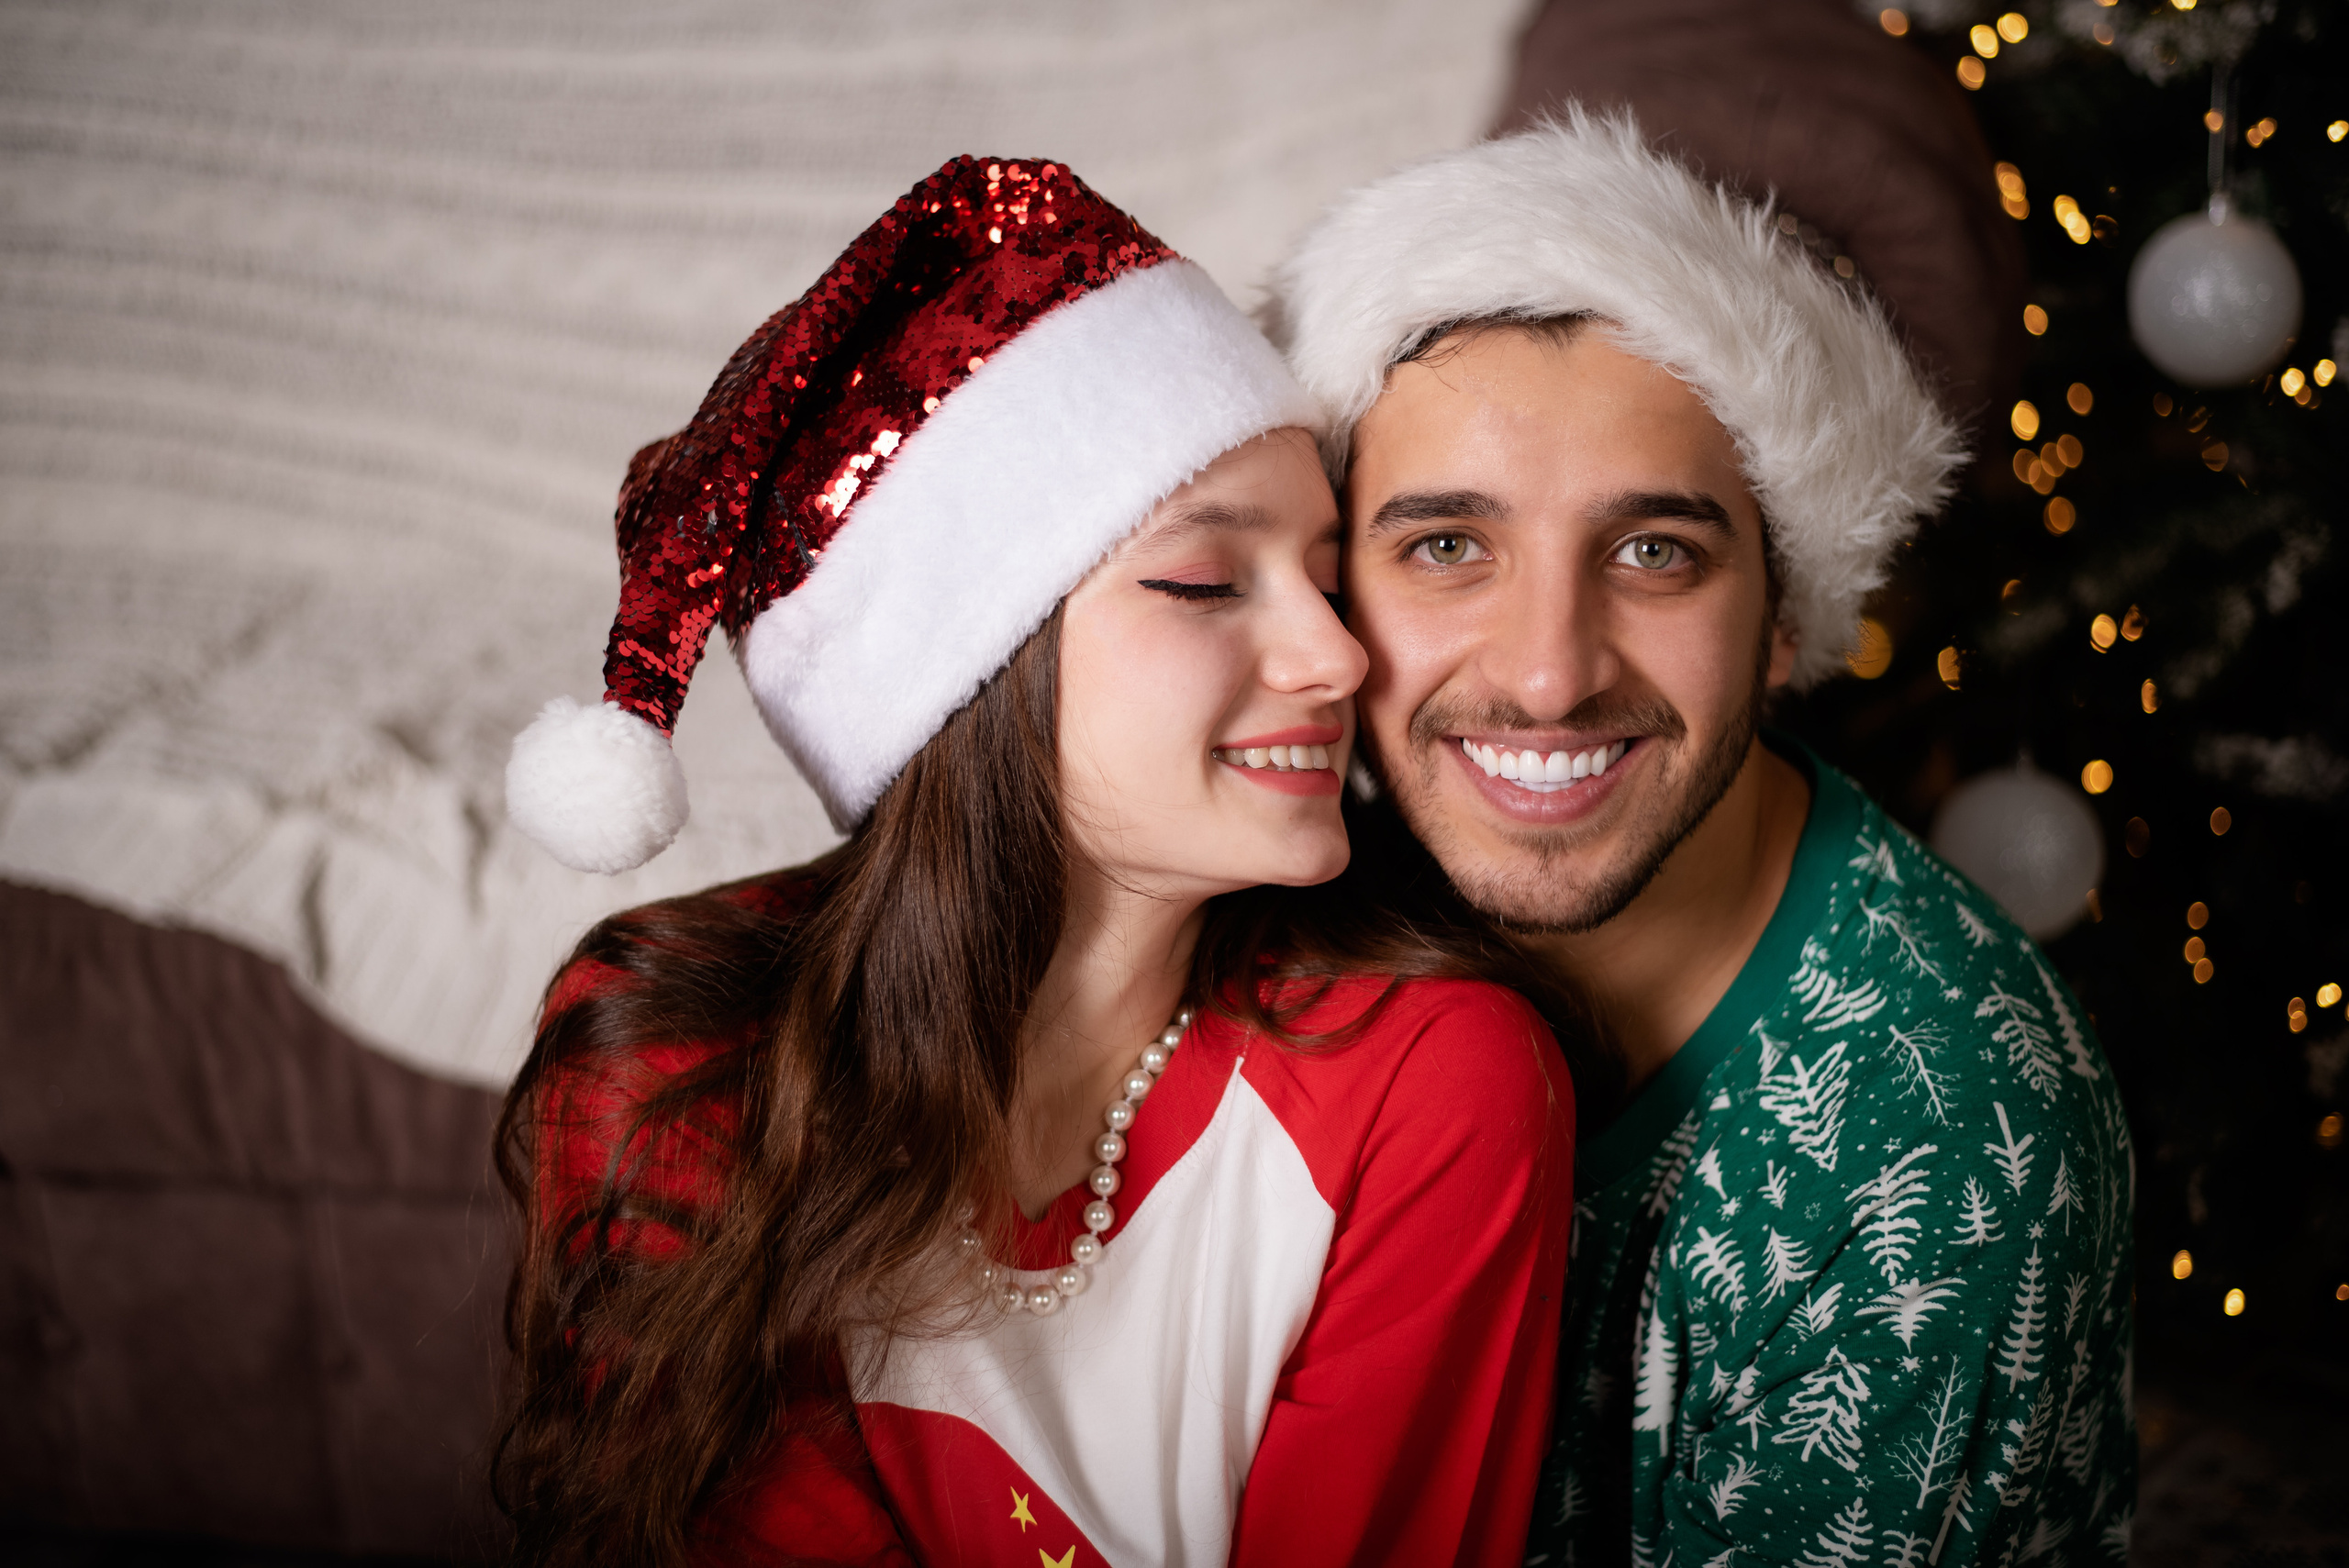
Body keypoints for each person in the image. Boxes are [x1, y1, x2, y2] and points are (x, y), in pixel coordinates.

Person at [494, 155, 1582, 1568]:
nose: (1338, 655)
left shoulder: (1434, 1085)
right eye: (1205, 580)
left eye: (1325, 575)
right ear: (973, 669)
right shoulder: (670, 1063)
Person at [1265, 113, 2136, 1563]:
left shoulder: (1939, 1148)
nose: (1547, 675)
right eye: (1445, 547)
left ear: (1785, 613)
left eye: (1653, 552)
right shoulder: (1284, 877)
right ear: (1334, 589)